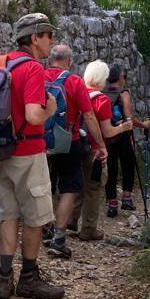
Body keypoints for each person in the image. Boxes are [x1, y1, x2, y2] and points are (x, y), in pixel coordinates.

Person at [0, 13, 65, 299]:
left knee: (8, 215)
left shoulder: (2, 62)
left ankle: (3, 279)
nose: (52, 40)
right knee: (35, 218)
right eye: (48, 35)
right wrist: (50, 108)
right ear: (34, 38)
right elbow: (34, 114)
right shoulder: (33, 68)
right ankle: (29, 279)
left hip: (1, 152)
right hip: (28, 152)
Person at [43, 43, 108, 259]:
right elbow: (89, 117)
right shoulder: (73, 81)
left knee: (45, 186)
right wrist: (100, 145)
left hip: (39, 142)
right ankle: (59, 238)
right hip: (68, 143)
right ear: (69, 61)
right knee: (70, 187)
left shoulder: (38, 76)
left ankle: (44, 229)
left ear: (50, 58)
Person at [77, 59, 133, 241]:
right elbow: (107, 130)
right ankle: (88, 229)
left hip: (73, 144)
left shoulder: (77, 92)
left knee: (73, 186)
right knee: (93, 188)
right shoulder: (101, 99)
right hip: (93, 148)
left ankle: (66, 224)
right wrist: (123, 128)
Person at [104, 62, 150, 218]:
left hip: (108, 135)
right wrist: (144, 124)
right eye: (124, 76)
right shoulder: (123, 93)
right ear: (120, 77)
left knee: (111, 168)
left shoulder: (103, 91)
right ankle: (127, 198)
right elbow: (129, 118)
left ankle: (111, 203)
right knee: (128, 164)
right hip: (124, 134)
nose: (125, 79)